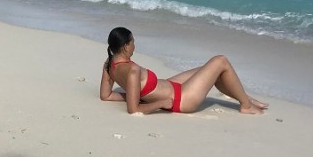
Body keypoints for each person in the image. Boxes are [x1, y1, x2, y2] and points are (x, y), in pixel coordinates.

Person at [100, 27, 268, 115]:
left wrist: (134, 95)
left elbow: (106, 96)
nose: (134, 45)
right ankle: (246, 105)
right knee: (220, 61)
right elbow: (133, 109)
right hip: (181, 99)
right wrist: (159, 104)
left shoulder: (109, 64)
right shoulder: (133, 71)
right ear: (125, 46)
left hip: (171, 86)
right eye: (133, 42)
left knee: (210, 70)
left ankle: (244, 97)